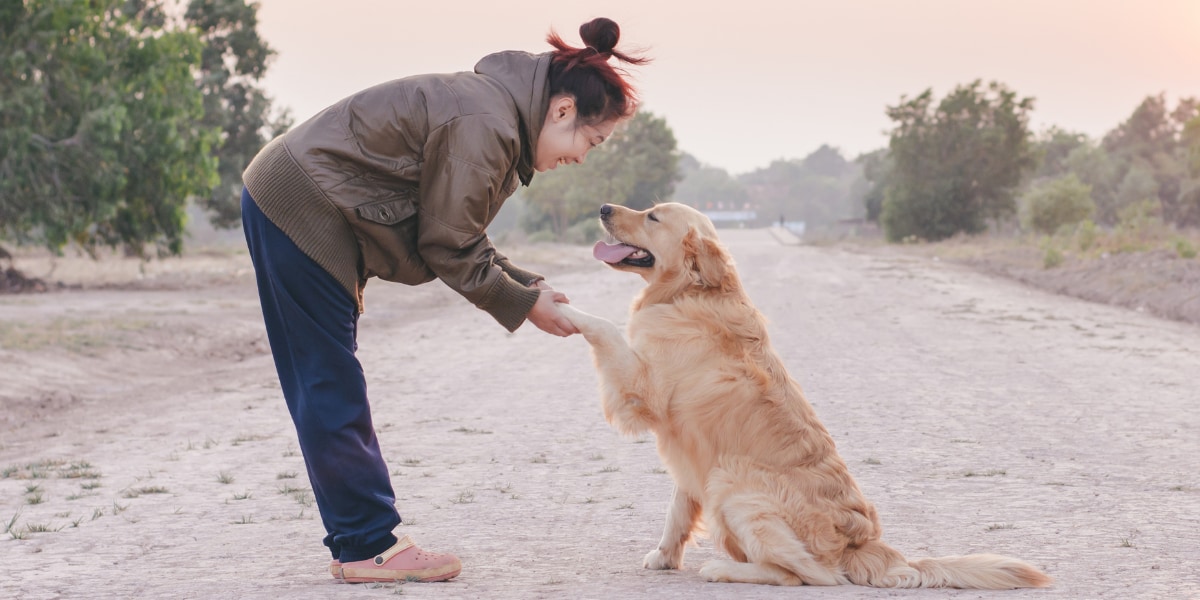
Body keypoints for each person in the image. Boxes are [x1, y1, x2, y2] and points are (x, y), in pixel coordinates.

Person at [239, 17, 648, 583]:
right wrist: (524, 304)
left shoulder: (493, 113)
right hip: (303, 204)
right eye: (590, 140)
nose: (584, 157)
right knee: (327, 377)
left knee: (323, 376)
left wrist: (525, 287)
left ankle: (357, 541)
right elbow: (447, 244)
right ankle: (367, 544)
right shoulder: (487, 124)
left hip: (295, 196)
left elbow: (451, 229)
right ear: (561, 111)